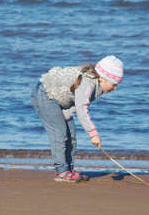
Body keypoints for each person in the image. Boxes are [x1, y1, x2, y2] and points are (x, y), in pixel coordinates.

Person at [31, 55, 123, 183]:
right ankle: (61, 172)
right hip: (45, 94)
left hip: (61, 101)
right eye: (114, 84)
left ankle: (69, 169)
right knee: (60, 134)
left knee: (71, 136)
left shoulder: (99, 87)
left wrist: (67, 115)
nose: (115, 88)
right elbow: (82, 109)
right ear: (103, 78)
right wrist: (93, 133)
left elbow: (76, 100)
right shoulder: (88, 83)